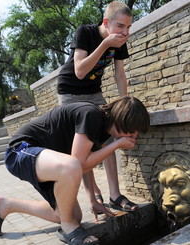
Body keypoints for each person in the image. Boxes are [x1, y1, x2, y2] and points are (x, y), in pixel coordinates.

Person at [0, 96, 150, 245]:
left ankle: (6, 205)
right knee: (71, 170)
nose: (134, 136)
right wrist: (115, 145)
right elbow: (79, 164)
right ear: (121, 119)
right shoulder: (91, 115)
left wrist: (93, 201)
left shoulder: (102, 127)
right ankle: (69, 228)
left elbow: (85, 164)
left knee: (71, 215)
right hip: (20, 150)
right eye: (132, 130)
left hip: (50, 162)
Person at [57, 1, 137, 215]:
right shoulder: (85, 32)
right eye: (120, 26)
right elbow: (80, 71)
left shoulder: (120, 42)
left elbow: (119, 74)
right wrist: (104, 45)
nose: (125, 32)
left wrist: (124, 104)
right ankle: (92, 196)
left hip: (94, 92)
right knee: (83, 144)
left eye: (128, 27)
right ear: (106, 22)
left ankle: (114, 195)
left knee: (108, 137)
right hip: (70, 91)